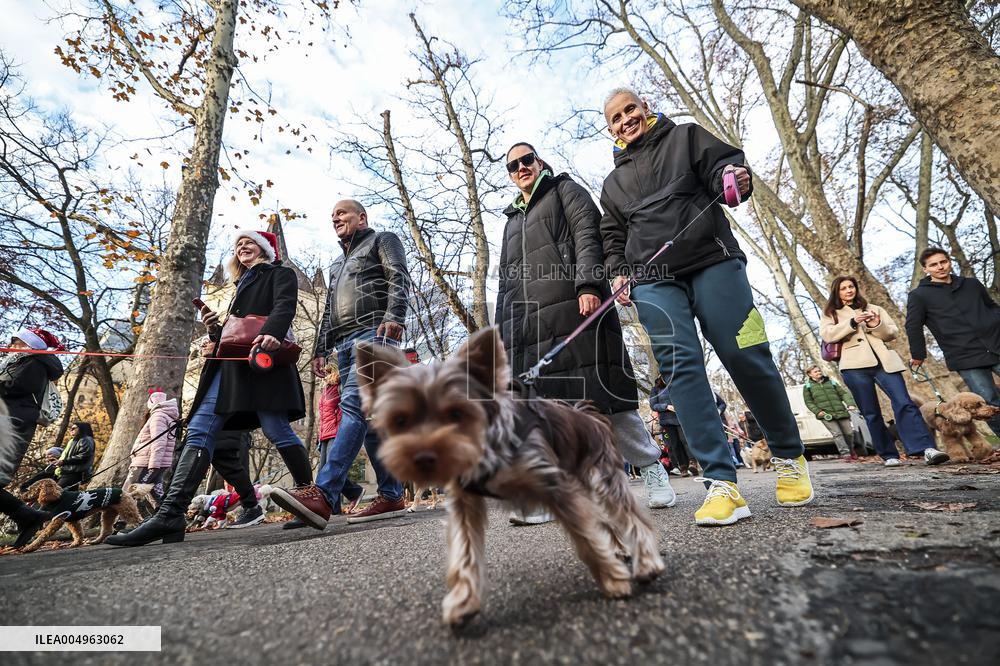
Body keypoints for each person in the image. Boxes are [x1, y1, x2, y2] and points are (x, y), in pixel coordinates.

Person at [599, 88, 813, 526]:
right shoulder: (612, 184)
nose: (625, 120)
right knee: (681, 368)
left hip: (713, 259)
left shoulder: (688, 137)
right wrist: (618, 272)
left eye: (630, 110)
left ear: (646, 109)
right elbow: (612, 238)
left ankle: (790, 456)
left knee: (745, 354)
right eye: (616, 118)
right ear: (611, 130)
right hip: (654, 280)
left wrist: (733, 179)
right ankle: (721, 483)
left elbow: (724, 166)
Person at [496, 142, 676, 526]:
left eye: (527, 160)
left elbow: (588, 237)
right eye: (513, 165)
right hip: (532, 327)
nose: (521, 168)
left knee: (607, 401)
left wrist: (589, 286)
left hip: (578, 309)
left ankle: (651, 466)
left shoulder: (565, 190)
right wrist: (504, 331)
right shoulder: (511, 221)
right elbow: (506, 283)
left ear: (539, 161)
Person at [106, 229, 315, 546]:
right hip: (229, 369)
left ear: (264, 250)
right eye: (238, 245)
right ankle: (170, 516)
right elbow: (235, 333)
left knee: (276, 429)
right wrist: (213, 336)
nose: (242, 247)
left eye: (249, 243)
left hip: (262, 363)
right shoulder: (238, 286)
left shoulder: (279, 273)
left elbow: (284, 306)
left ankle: (308, 495)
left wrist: (273, 332)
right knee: (200, 427)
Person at [271, 199, 410, 529]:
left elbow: (398, 276)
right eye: (332, 215)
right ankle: (391, 494)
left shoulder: (382, 240)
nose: (335, 218)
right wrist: (321, 348)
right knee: (371, 421)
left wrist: (395, 316)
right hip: (343, 343)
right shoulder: (336, 265)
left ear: (361, 218)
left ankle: (324, 494)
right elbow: (328, 311)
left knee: (353, 406)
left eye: (342, 213)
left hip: (375, 331)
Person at [819, 275, 949, 467]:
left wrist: (875, 324)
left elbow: (892, 333)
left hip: (885, 363)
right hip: (854, 367)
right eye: (843, 288)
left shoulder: (874, 308)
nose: (849, 290)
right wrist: (853, 322)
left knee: (905, 403)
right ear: (837, 292)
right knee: (871, 412)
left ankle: (926, 449)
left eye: (851, 286)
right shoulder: (831, 313)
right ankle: (889, 455)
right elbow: (828, 335)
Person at [906, 247, 1000, 437]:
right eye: (933, 264)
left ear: (949, 262)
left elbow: (992, 307)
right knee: (988, 403)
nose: (940, 267)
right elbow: (913, 326)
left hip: (995, 343)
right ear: (926, 269)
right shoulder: (919, 296)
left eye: (943, 262)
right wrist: (918, 355)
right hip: (964, 355)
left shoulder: (972, 284)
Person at [0, 327, 65, 548]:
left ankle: (28, 517)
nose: (12, 345)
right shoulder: (18, 362)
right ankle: (28, 517)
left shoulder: (35, 362)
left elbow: (18, 387)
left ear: (30, 345)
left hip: (13, 424)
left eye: (17, 342)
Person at [283, 364, 366, 530]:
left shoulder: (340, 387)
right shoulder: (325, 390)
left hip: (336, 433)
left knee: (326, 470)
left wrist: (341, 431)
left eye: (327, 371)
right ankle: (347, 496)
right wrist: (319, 439)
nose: (324, 375)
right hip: (325, 435)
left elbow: (345, 411)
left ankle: (331, 503)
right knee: (324, 471)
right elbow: (323, 417)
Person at [123, 389, 179, 503]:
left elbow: (159, 442)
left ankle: (122, 519)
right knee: (156, 493)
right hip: (155, 463)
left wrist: (154, 465)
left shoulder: (158, 417)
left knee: (131, 490)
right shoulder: (166, 417)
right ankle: (166, 516)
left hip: (147, 463)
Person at [802, 366, 863, 460]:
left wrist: (850, 404)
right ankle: (845, 454)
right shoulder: (807, 387)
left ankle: (851, 450)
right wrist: (817, 411)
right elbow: (809, 402)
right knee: (837, 434)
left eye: (819, 371)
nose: (818, 373)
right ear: (810, 374)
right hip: (826, 415)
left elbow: (843, 394)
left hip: (841, 411)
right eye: (815, 372)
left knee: (849, 433)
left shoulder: (831, 382)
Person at [650, 377, 694, 476]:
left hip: (682, 418)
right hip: (667, 421)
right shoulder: (656, 389)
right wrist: (666, 407)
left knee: (685, 440)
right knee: (675, 444)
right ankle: (683, 467)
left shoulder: (677, 383)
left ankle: (693, 463)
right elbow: (653, 405)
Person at [56, 422, 95, 490]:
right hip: (67, 472)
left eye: (73, 428)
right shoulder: (74, 441)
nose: (71, 430)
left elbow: (83, 457)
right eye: (70, 428)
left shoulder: (86, 440)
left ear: (82, 429)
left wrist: (63, 462)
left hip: (76, 473)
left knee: (55, 492)